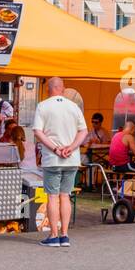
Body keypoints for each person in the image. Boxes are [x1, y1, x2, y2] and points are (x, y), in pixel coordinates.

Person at [32, 77, 87, 248]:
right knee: (65, 196)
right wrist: (71, 147)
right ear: (63, 89)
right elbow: (83, 131)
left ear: (48, 89)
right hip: (71, 159)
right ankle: (64, 234)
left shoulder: (43, 106)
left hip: (53, 159)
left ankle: (53, 235)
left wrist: (56, 149)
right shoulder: (74, 107)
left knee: (52, 196)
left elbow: (37, 132)